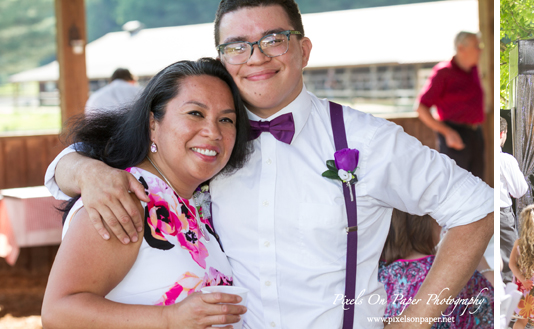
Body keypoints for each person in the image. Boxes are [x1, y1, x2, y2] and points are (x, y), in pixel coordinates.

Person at [43, 1, 494, 327]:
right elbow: (103, 160)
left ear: (304, 50)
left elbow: (476, 208)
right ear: (223, 59)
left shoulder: (369, 140)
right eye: (238, 46)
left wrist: (413, 322)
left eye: (274, 40)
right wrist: (85, 170)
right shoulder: (206, 152)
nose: (256, 57)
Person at [41, 58, 251, 328]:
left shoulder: (199, 203)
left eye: (226, 119)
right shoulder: (122, 197)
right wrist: (169, 319)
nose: (213, 132)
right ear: (153, 123)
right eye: (195, 113)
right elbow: (58, 313)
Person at [379, 210, 494, 329]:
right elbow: (495, 309)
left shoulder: (377, 277)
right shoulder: (455, 273)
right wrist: (481, 264)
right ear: (428, 224)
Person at [415, 31, 485, 179]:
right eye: (476, 46)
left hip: (475, 133)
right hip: (454, 134)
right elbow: (421, 108)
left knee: (478, 182)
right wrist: (447, 132)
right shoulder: (444, 73)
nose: (480, 50)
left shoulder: (474, 71)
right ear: (461, 48)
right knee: (457, 183)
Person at [498, 117, 527, 283]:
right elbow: (519, 190)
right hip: (501, 215)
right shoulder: (505, 160)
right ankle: (507, 303)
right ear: (502, 134)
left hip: (476, 212)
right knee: (510, 262)